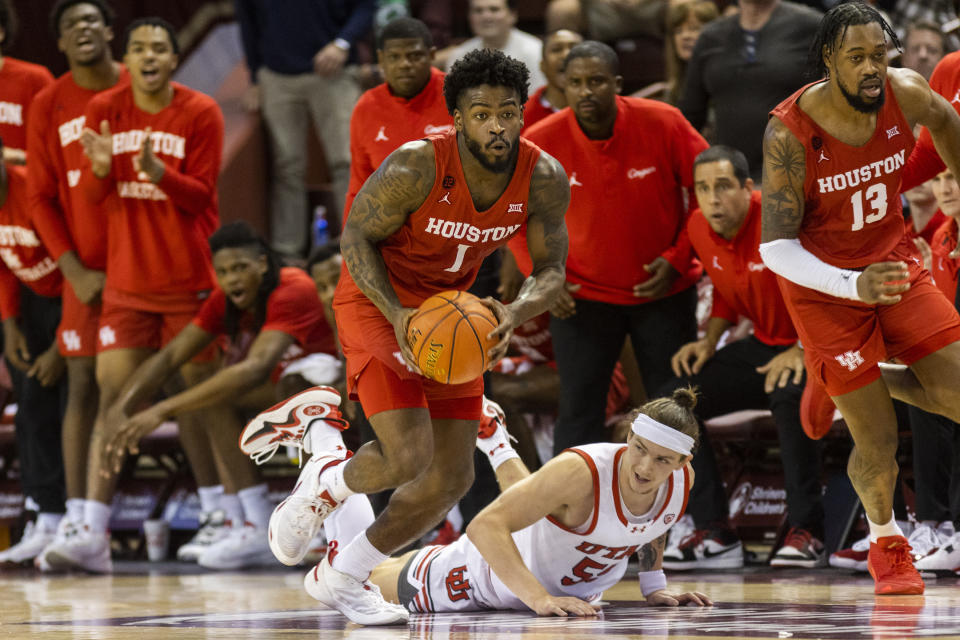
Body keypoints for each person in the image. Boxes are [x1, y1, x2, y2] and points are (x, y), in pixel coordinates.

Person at [240, 48, 570, 625]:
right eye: (483, 112)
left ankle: (344, 574)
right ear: (459, 117)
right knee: (409, 453)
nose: (497, 124)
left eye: (509, 112)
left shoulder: (542, 176)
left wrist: (513, 314)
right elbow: (355, 240)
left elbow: (552, 271)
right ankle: (327, 479)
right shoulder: (416, 164)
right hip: (377, 301)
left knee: (453, 475)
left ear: (522, 114)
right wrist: (396, 316)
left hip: (452, 313)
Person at [758, 1, 960, 595]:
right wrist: (851, 284)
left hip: (893, 263)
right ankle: (886, 543)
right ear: (828, 60)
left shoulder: (907, 92)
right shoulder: (789, 132)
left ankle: (853, 379)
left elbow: (948, 125)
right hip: (824, 288)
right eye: (857, 58)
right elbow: (775, 247)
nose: (873, 68)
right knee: (875, 441)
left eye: (880, 54)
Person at [38, 18, 224, 574]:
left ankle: (221, 515)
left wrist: (158, 173)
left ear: (172, 59)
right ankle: (90, 527)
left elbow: (202, 201)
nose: (148, 55)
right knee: (110, 397)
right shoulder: (104, 110)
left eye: (159, 48)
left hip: (187, 279)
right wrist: (99, 169)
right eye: (139, 47)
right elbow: (96, 196)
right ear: (130, 55)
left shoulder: (201, 112)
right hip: (125, 284)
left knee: (195, 400)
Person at [95, 221, 345, 569]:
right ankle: (256, 525)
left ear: (262, 263)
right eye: (224, 272)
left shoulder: (293, 288)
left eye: (241, 268)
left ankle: (322, 524)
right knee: (215, 398)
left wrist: (162, 409)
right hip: (291, 387)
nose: (232, 279)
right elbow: (170, 356)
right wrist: (120, 411)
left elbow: (256, 366)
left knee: (294, 386)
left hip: (336, 380)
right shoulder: (223, 300)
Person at [513, 41, 707, 454]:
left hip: (662, 292)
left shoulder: (664, 122)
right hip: (582, 297)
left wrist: (678, 257)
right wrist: (544, 274)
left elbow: (708, 195)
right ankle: (569, 513)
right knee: (579, 409)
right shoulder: (539, 141)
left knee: (676, 407)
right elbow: (512, 219)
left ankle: (696, 514)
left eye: (597, 81)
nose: (586, 91)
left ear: (617, 84)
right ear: (561, 84)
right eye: (576, 82)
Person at [368, 388, 711, 615]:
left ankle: (496, 440)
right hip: (485, 577)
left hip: (567, 595)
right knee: (361, 583)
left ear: (683, 463)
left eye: (663, 461)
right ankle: (334, 493)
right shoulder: (581, 470)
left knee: (536, 499)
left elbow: (656, 523)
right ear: (629, 435)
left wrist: (654, 586)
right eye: (639, 449)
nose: (645, 468)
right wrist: (538, 598)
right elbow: (484, 526)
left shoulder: (682, 482)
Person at [661, 146, 826, 570]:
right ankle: (715, 530)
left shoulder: (780, 220)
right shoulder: (699, 227)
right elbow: (724, 288)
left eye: (722, 187)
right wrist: (708, 341)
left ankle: (808, 531)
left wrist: (801, 350)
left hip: (819, 344)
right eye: (702, 189)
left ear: (748, 188)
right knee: (677, 402)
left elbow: (826, 287)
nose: (712, 198)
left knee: (790, 398)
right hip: (765, 345)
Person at [26, 0, 127, 565]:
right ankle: (77, 519)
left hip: (142, 265)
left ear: (110, 31)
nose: (83, 30)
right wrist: (71, 268)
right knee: (83, 386)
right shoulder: (49, 101)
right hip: (85, 274)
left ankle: (228, 512)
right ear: (60, 44)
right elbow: (39, 196)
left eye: (92, 20)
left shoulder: (142, 82)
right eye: (70, 25)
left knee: (157, 386)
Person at [234, 0, 375, 258]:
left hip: (335, 73)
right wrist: (254, 75)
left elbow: (366, 6)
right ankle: (287, 254)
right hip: (277, 76)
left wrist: (343, 42)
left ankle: (359, 248)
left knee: (347, 161)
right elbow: (247, 18)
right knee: (287, 166)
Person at [0, 142, 67, 565]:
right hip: (26, 302)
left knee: (71, 410)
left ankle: (75, 520)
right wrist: (9, 326)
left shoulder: (39, 191)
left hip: (70, 299)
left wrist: (64, 342)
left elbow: (81, 264)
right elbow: (3, 263)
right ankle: (44, 515)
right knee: (29, 411)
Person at [681, 0, 821, 181]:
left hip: (798, 175)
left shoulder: (812, 26)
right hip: (732, 182)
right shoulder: (710, 37)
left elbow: (834, 105)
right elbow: (690, 117)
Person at [346, 17, 452, 219]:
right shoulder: (366, 108)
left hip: (457, 227)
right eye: (394, 57)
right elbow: (359, 187)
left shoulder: (458, 96)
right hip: (394, 233)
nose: (404, 64)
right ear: (381, 59)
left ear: (431, 55)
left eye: (414, 56)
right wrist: (350, 247)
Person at [443, 0, 547, 90]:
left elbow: (537, 100)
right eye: (478, 11)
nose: (486, 17)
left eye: (494, 9)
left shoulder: (535, 51)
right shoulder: (460, 56)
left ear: (512, 15)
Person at [0, 0, 54, 165]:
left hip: (25, 187)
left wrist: (15, 157)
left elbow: (62, 151)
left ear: (1, 32)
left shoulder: (35, 79)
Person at [636, 1, 719, 106]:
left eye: (694, 28)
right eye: (678, 31)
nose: (685, 36)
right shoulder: (674, 88)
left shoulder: (724, 83)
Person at [522, 29, 583, 131]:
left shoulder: (605, 109)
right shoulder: (521, 115)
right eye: (557, 49)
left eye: (574, 49)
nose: (566, 55)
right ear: (543, 66)